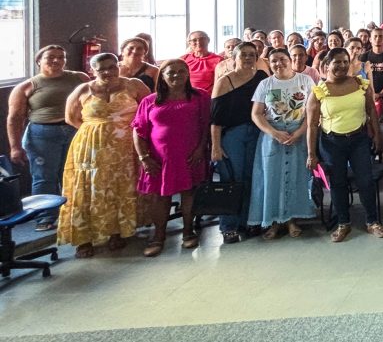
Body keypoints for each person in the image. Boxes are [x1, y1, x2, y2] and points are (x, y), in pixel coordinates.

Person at [57, 52, 151, 257]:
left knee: (121, 187)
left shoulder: (134, 85)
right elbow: (70, 117)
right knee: (90, 188)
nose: (108, 72)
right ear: (93, 71)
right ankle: (84, 238)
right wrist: (97, 129)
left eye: (112, 67)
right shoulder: (83, 90)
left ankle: (117, 232)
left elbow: (149, 110)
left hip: (127, 147)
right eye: (102, 69)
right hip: (91, 147)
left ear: (119, 66)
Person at [304, 48, 383, 242]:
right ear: (327, 65)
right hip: (331, 143)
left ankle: (372, 221)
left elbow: (371, 111)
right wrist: (311, 153)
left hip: (359, 139)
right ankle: (343, 223)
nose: (342, 66)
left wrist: (377, 135)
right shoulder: (318, 91)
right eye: (337, 62)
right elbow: (312, 125)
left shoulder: (360, 84)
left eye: (345, 61)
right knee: (338, 182)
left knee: (366, 181)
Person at [131, 59, 210, 257]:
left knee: (189, 193)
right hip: (159, 157)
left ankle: (188, 231)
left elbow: (206, 125)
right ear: (162, 76)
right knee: (160, 196)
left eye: (181, 71)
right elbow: (139, 130)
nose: (177, 75)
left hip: (190, 155)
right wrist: (144, 157)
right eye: (171, 72)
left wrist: (201, 149)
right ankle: (158, 236)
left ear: (188, 74)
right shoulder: (150, 100)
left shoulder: (200, 96)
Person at [6, 44, 88, 230]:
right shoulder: (27, 86)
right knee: (44, 178)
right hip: (42, 136)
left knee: (74, 174)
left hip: (75, 132)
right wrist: (15, 147)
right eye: (50, 57)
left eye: (61, 57)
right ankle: (45, 218)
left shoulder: (79, 78)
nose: (56, 60)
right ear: (39, 61)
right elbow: (14, 118)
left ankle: (73, 215)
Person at [248, 46, 316, 239]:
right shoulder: (265, 84)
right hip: (273, 136)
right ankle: (275, 221)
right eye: (274, 61)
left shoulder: (305, 81)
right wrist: (274, 133)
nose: (278, 63)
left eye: (282, 59)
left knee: (297, 176)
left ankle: (292, 219)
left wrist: (299, 132)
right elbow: (257, 114)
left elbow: (312, 112)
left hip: (299, 134)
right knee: (272, 178)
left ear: (290, 60)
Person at [209, 42, 266, 244]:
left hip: (257, 131)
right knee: (232, 178)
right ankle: (229, 226)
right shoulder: (225, 81)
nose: (248, 58)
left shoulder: (262, 77)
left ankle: (248, 220)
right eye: (243, 55)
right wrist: (216, 146)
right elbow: (215, 118)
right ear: (234, 58)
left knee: (253, 177)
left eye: (252, 54)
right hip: (233, 134)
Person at [181, 31, 224, 95]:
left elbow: (221, 82)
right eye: (194, 40)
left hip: (208, 95)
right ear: (189, 43)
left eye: (202, 39)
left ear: (208, 40)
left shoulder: (219, 60)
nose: (198, 42)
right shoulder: (184, 59)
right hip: (186, 95)